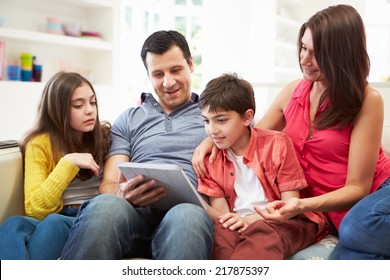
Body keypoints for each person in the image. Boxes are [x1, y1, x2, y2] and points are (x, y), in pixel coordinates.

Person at [192, 4, 390, 259]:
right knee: (346, 259)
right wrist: (211, 139)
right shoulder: (293, 91)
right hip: (333, 215)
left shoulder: (367, 99)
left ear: (340, 55)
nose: (304, 60)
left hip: (376, 196)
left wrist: (301, 204)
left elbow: (358, 188)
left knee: (354, 229)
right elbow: (250, 134)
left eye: (316, 54)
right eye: (303, 48)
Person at [60, 30, 213, 260]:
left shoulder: (214, 114)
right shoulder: (130, 119)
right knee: (105, 206)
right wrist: (122, 193)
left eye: (175, 70)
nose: (168, 82)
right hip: (133, 215)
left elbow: (253, 131)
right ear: (148, 76)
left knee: (188, 217)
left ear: (191, 64)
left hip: (185, 214)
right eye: (158, 74)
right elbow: (109, 184)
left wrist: (212, 138)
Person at [197, 73, 328, 259]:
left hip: (284, 220)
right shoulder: (210, 160)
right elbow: (222, 216)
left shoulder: (278, 144)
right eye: (206, 121)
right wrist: (195, 202)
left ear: (247, 117)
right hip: (237, 221)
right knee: (222, 236)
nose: (212, 130)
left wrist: (248, 220)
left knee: (261, 235)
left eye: (221, 120)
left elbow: (289, 205)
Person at [0, 71, 111, 260]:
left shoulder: (107, 137)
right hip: (57, 214)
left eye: (92, 102)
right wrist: (67, 163)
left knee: (55, 223)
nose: (90, 110)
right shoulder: (39, 143)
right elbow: (35, 209)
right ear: (57, 110)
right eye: (78, 105)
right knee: (13, 224)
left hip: (91, 216)